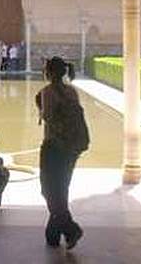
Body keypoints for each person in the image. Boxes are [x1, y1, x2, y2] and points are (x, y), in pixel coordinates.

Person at [35, 56, 87, 249]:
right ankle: (54, 233)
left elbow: (48, 117)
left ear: (48, 72)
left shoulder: (47, 92)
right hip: (72, 148)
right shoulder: (71, 91)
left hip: (54, 148)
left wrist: (39, 106)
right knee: (60, 189)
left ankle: (71, 229)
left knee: (48, 189)